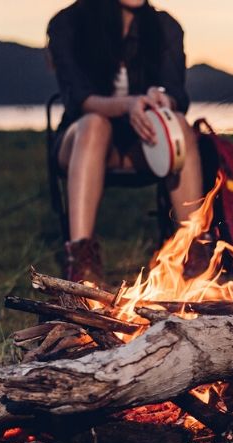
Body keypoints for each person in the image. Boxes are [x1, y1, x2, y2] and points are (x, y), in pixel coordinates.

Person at [47, 0, 204, 286]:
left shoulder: (163, 26)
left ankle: (194, 251)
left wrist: (161, 100)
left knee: (180, 126)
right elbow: (79, 99)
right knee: (95, 124)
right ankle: (82, 261)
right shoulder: (68, 23)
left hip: (141, 144)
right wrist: (128, 105)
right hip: (82, 141)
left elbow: (178, 94)